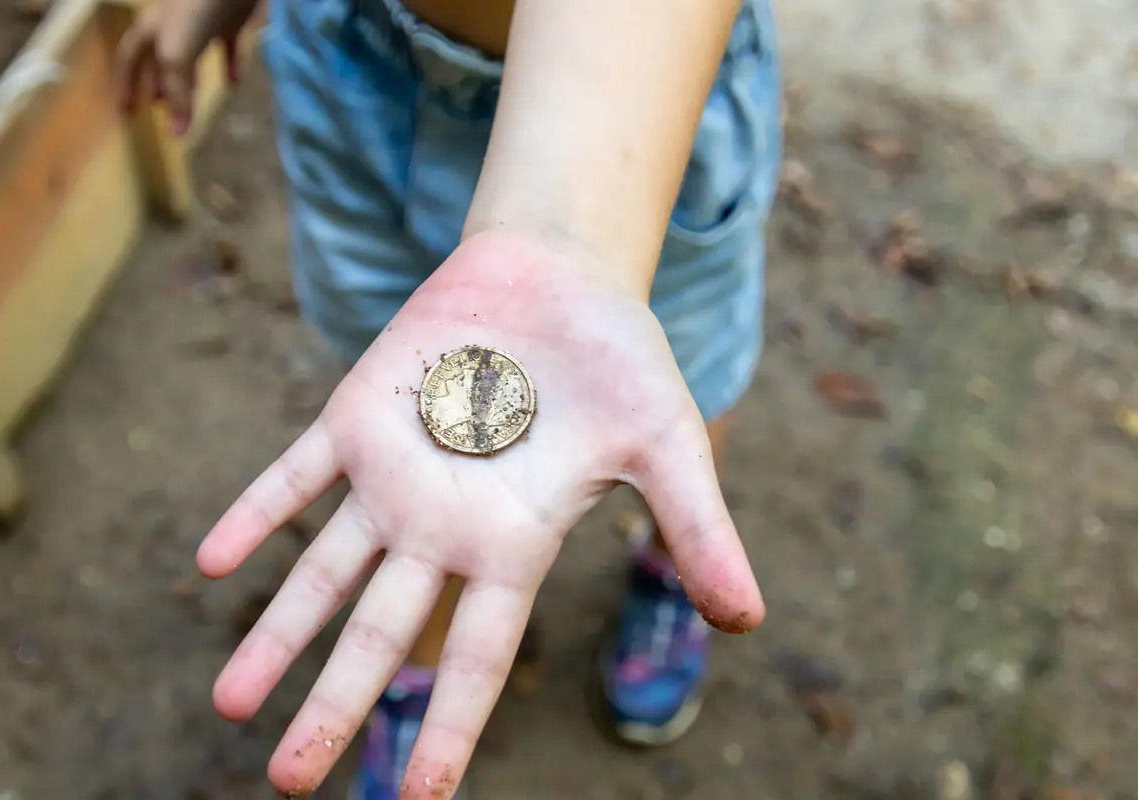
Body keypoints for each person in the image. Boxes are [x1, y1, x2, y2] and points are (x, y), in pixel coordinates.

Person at [116, 0, 780, 797]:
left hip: (641, 106)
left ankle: (672, 572)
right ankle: (420, 665)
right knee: (396, 405)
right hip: (346, 68)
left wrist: (568, 239)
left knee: (679, 378)